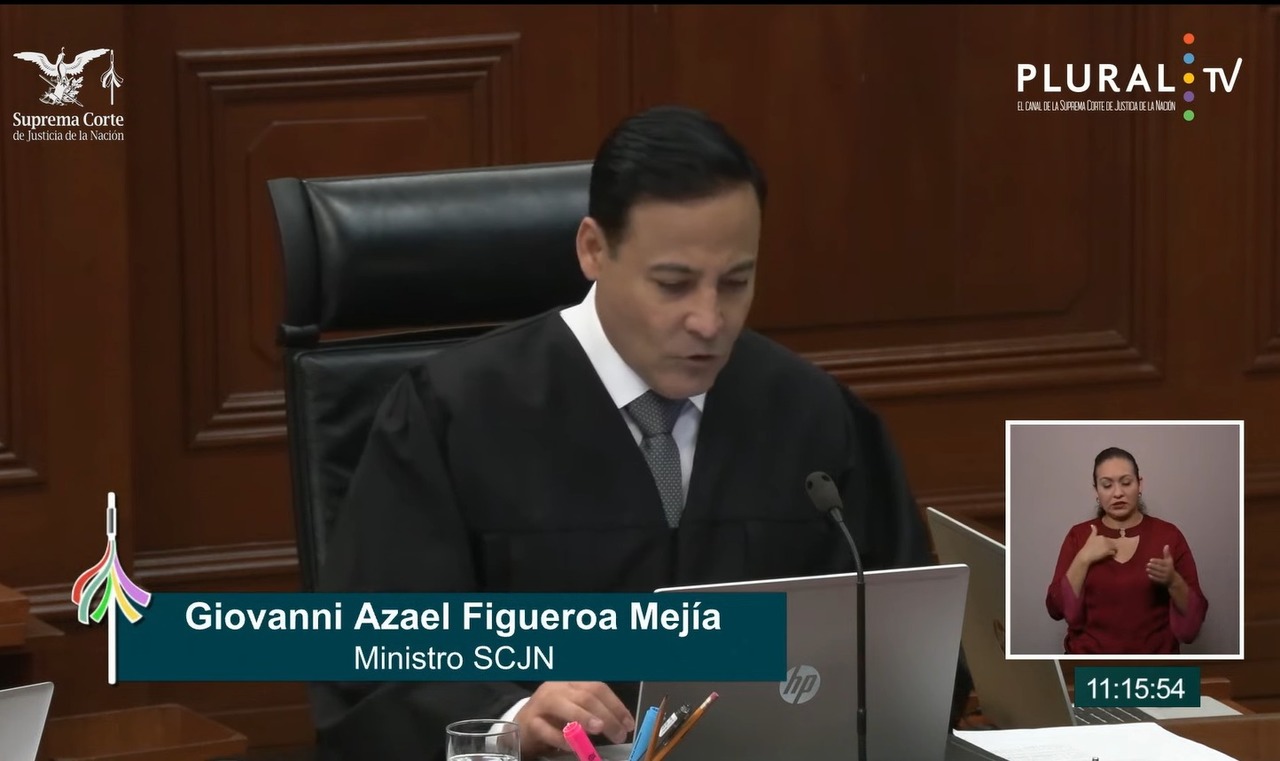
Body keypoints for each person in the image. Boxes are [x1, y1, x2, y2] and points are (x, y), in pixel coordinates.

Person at [311, 105, 972, 761]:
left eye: (735, 282)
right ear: (593, 249)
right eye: (674, 284)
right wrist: (512, 720)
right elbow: (373, 661)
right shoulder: (455, 413)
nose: (709, 320)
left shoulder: (812, 415)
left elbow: (918, 662)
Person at [1045, 447, 1209, 655]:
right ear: (1096, 491)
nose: (1117, 493)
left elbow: (1195, 621)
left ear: (1140, 484)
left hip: (1154, 666)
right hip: (1089, 664)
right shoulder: (1078, 536)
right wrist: (1083, 558)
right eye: (1107, 485)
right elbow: (1056, 609)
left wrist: (1174, 581)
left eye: (1126, 482)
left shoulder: (1169, 536)